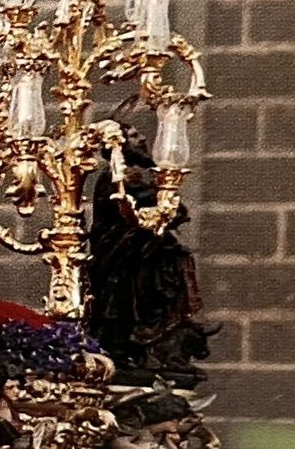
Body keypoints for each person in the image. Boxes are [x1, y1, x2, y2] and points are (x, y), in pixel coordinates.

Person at [86, 99, 216, 387]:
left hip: (147, 261)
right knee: (133, 313)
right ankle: (137, 350)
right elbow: (170, 212)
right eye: (133, 136)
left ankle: (155, 351)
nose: (143, 138)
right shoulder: (121, 178)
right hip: (129, 267)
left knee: (160, 306)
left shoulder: (133, 175)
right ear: (119, 146)